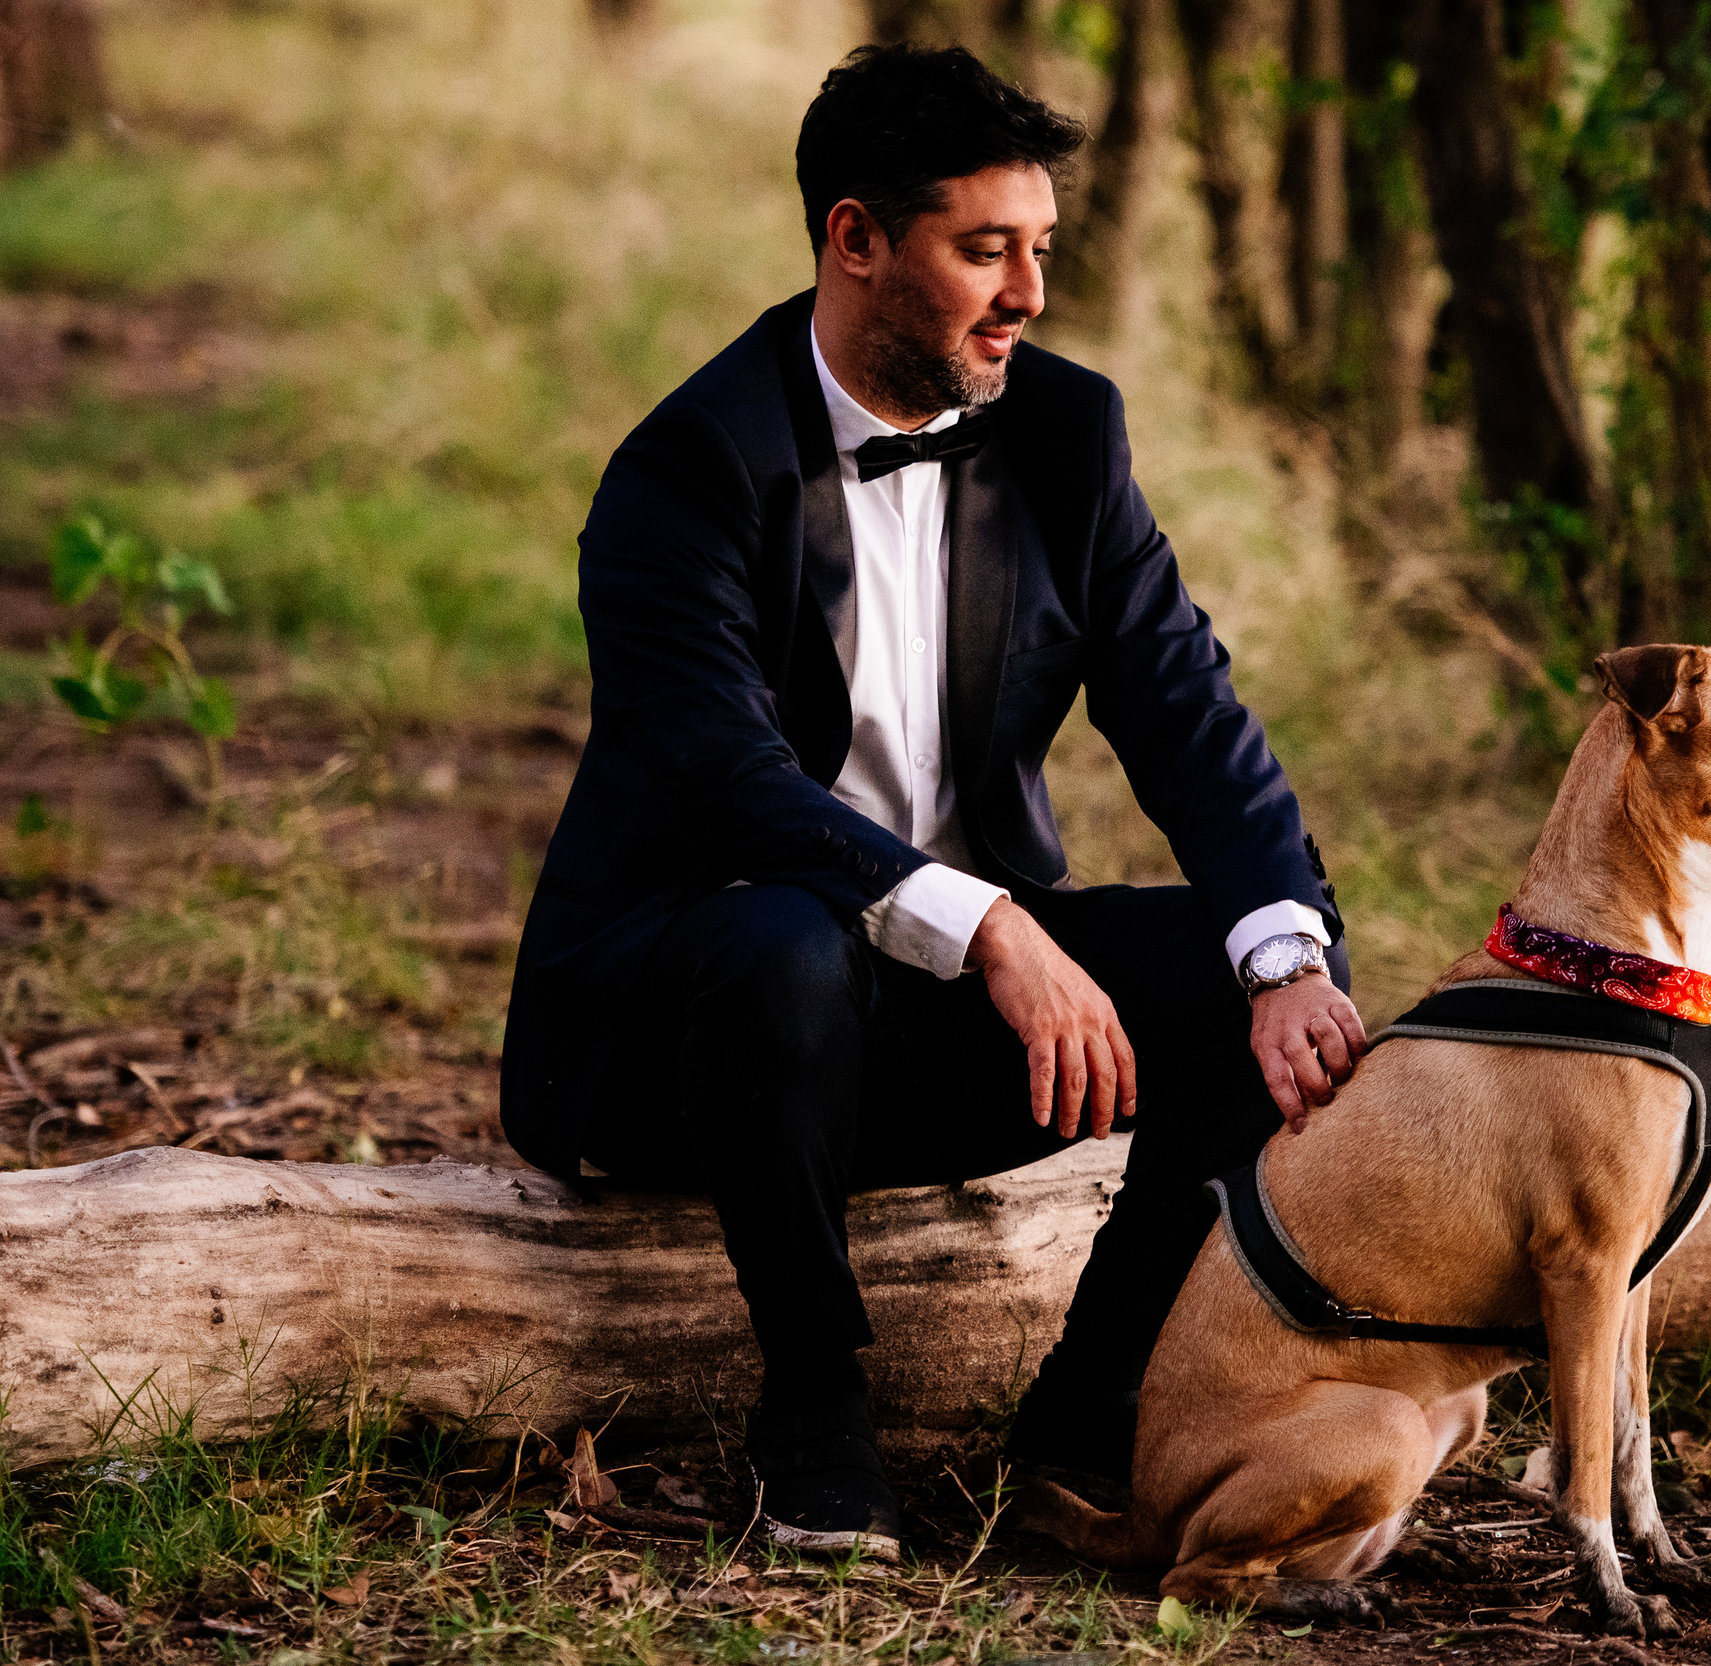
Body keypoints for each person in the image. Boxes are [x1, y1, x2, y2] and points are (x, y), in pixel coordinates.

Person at [498, 42, 1368, 1560]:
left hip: (927, 1033)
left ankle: (1085, 1425)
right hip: (691, 1034)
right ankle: (814, 1413)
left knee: (1265, 990)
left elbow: (1184, 706)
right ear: (855, 240)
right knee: (782, 941)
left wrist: (1284, 956)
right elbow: (720, 777)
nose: (1029, 290)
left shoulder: (1065, 435)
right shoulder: (688, 469)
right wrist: (990, 928)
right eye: (986, 250)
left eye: (1041, 247)